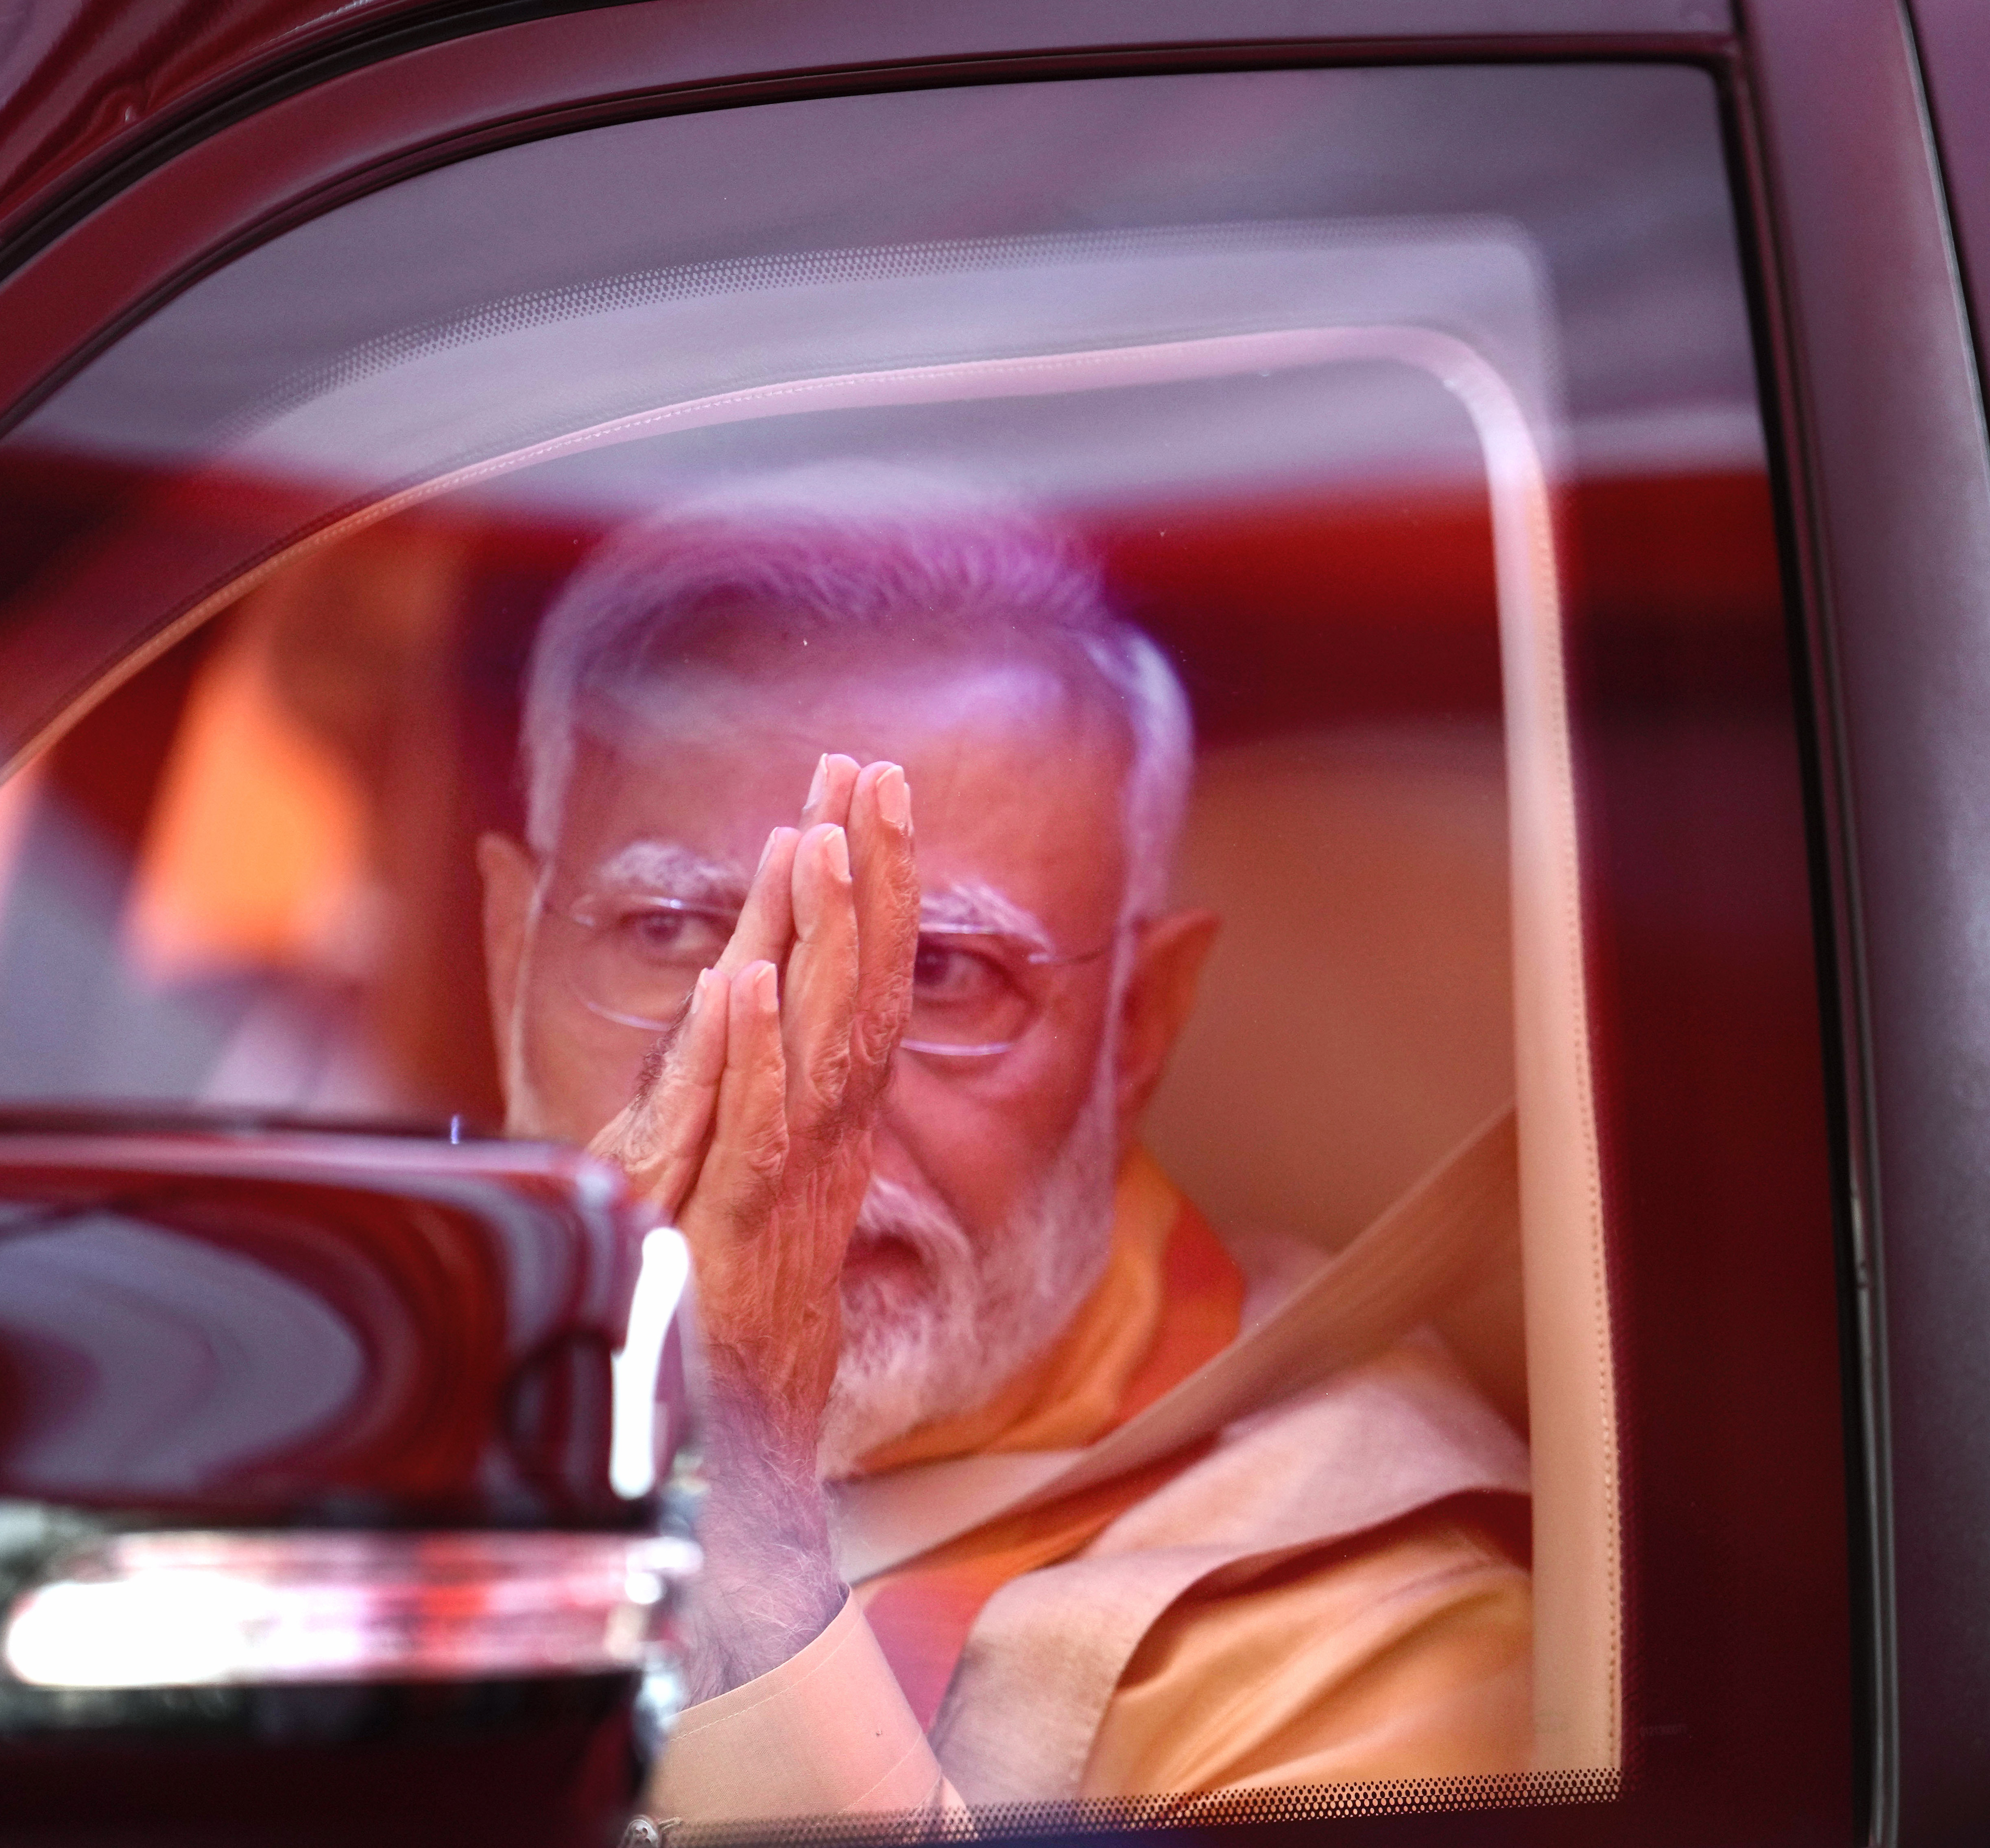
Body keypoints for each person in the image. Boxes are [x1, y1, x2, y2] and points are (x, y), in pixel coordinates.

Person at [476, 468, 1532, 1824]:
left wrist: (736, 1537)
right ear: (511, 951)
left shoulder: (1369, 1651)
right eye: (673, 931)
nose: (792, 1106)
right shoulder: (349, 1408)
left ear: (1139, 1025)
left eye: (944, 973)